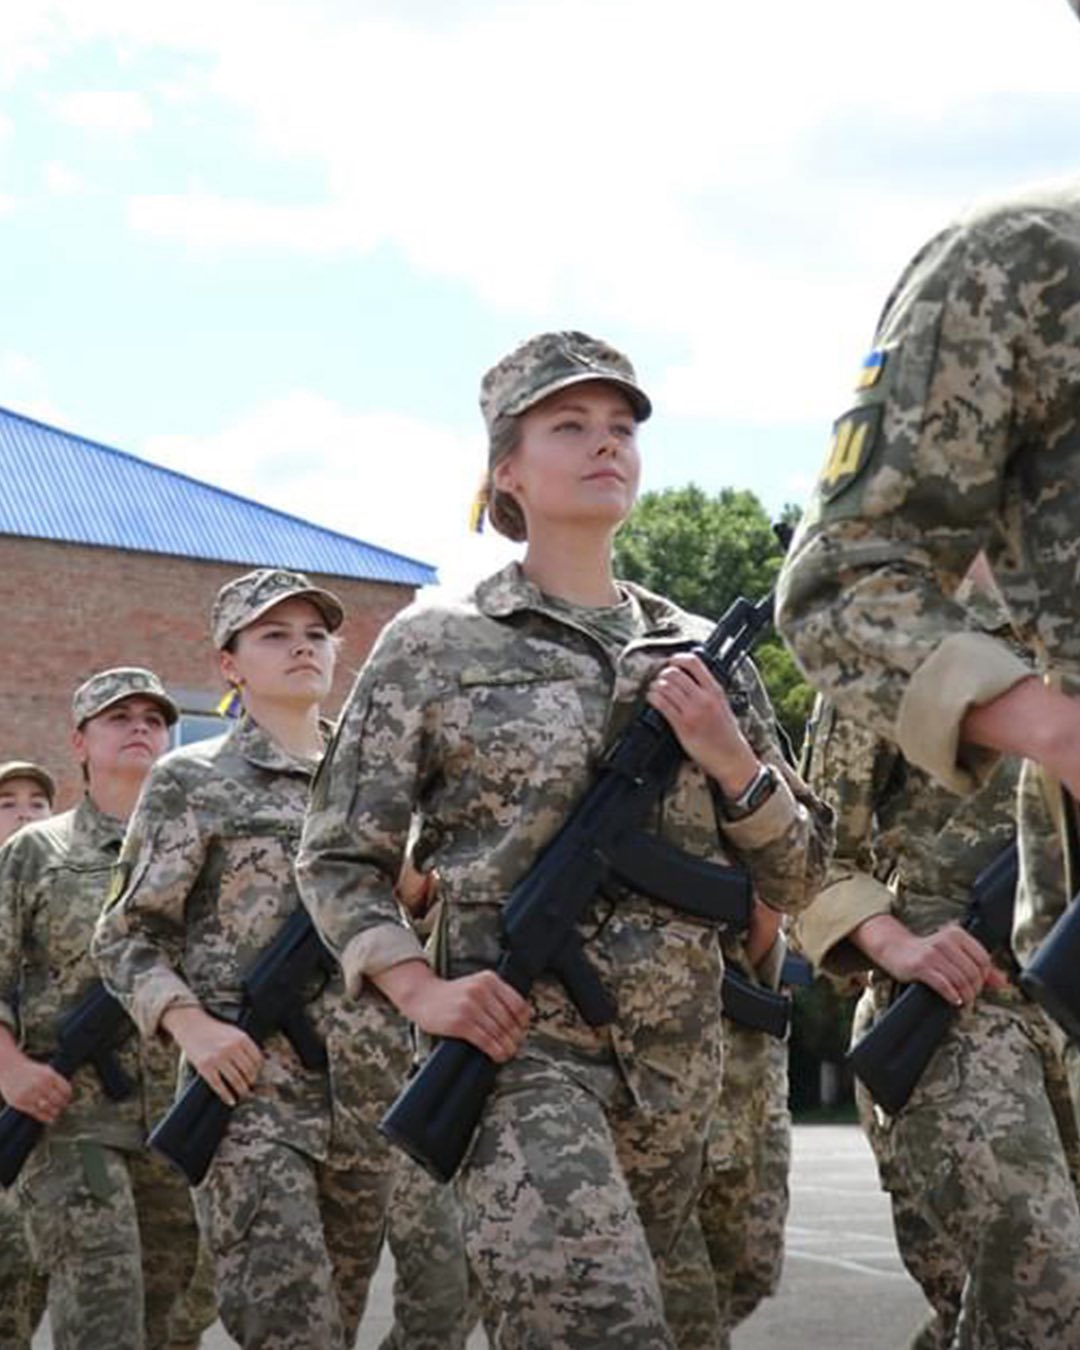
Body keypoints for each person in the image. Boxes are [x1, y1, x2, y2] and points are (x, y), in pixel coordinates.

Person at [298, 330, 832, 1349]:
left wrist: (732, 761)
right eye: (570, 426)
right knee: (600, 1324)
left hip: (680, 1073)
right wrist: (420, 989)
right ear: (507, 468)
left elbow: (797, 872)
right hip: (517, 1056)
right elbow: (336, 857)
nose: (607, 445)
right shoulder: (437, 644)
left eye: (622, 428)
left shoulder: (705, 661)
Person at [92, 568, 412, 1350]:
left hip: (370, 1101)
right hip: (249, 1098)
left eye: (315, 635)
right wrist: (191, 1026)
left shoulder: (378, 781)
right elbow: (126, 934)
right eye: (275, 635)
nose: (302, 648)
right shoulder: (193, 781)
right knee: (290, 1331)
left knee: (334, 1324)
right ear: (230, 664)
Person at [794, 568, 1080, 1346]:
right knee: (1043, 1273)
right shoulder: (897, 639)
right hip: (962, 1005)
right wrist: (897, 944)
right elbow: (809, 859)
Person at [0, 669, 200, 1350]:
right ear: (79, 742)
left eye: (153, 716)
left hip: (180, 1122)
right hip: (71, 1121)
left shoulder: (199, 851)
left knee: (171, 1323)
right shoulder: (36, 851)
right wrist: (10, 1070)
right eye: (119, 717)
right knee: (103, 1320)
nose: (140, 726)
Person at [0, 759, 55, 1350]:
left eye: (36, 802)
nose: (24, 811)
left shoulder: (61, 890)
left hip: (51, 1111)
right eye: (7, 801)